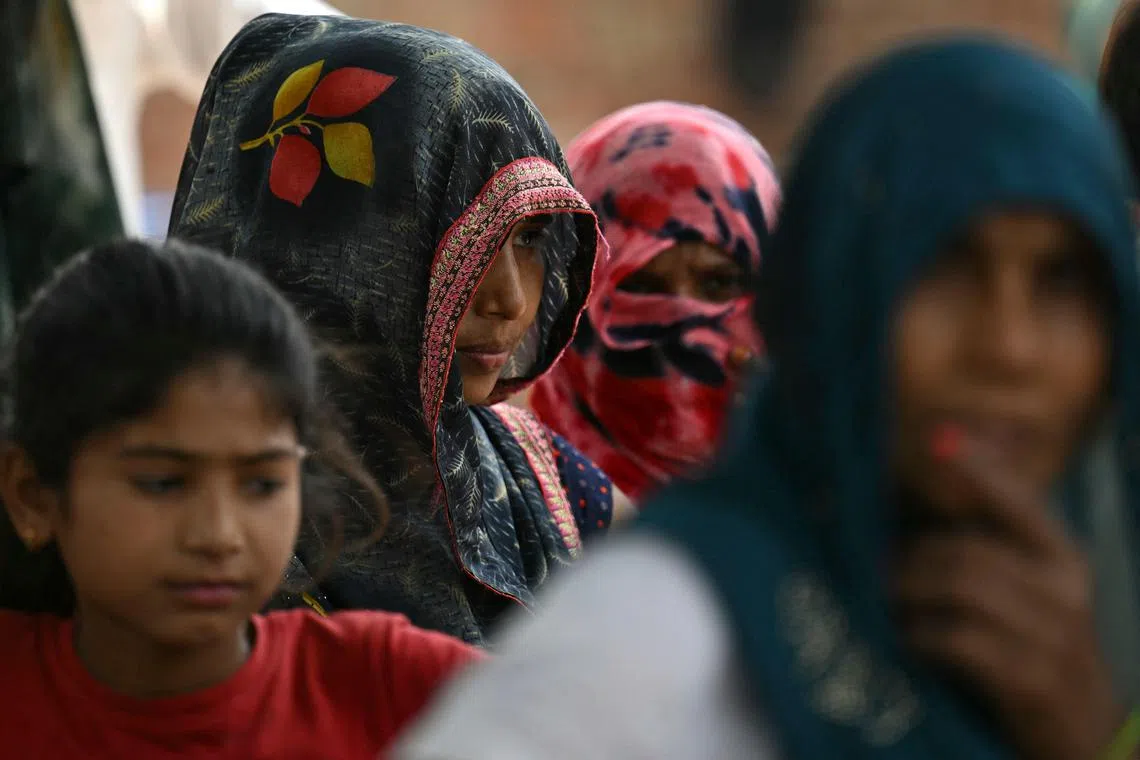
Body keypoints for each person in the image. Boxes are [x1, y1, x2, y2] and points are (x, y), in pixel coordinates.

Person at [394, 38, 1140, 760]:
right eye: (947, 271)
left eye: (1062, 282)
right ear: (836, 301)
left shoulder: (1097, 609)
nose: (1009, 347)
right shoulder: (658, 633)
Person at [168, 13, 623, 646]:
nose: (510, 299)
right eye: (452, 238)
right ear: (330, 254)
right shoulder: (165, 527)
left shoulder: (548, 488)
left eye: (529, 239)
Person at [0, 238, 481, 759]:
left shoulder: (396, 689)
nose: (219, 535)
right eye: (161, 483)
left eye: (262, 485)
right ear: (33, 497)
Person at [529, 101, 780, 502]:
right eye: (641, 287)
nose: (684, 329)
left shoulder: (838, 506)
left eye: (719, 283)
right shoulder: (500, 510)